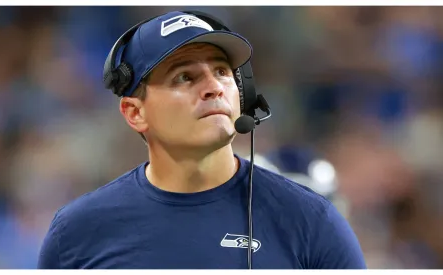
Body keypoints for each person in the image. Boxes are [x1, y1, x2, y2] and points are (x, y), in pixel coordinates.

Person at [37, 10, 367, 269]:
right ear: (135, 113)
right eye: (185, 76)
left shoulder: (310, 220)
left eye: (222, 71)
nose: (214, 87)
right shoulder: (78, 232)